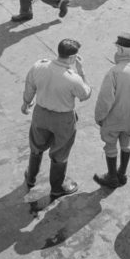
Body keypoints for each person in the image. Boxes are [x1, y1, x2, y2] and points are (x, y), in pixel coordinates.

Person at [21, 38, 92, 199]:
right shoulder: (73, 78)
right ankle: (56, 188)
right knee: (60, 153)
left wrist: (26, 103)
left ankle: (31, 178)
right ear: (73, 58)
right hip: (63, 119)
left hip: (40, 114)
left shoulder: (39, 66)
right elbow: (86, 94)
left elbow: (30, 85)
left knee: (36, 146)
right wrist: (82, 72)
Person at [93, 33, 130, 188]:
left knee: (110, 146)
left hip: (114, 119)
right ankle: (122, 174)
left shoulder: (114, 72)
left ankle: (112, 177)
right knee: (126, 143)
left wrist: (99, 117)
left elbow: (105, 101)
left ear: (119, 49)